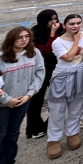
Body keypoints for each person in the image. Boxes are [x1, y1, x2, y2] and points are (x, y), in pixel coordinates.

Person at [0, 27, 45, 164]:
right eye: (19, 37)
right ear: (11, 39)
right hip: (1, 104)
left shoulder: (34, 53)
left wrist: (29, 94)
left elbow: (40, 73)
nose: (24, 40)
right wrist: (6, 99)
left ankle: (10, 163)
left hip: (23, 100)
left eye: (27, 37)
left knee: (13, 133)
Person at [47, 14, 83, 160]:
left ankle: (72, 132)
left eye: (78, 23)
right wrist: (77, 41)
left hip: (80, 74)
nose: (76, 26)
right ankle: (53, 139)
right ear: (64, 25)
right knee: (57, 109)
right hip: (63, 77)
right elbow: (68, 57)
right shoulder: (57, 42)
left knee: (76, 106)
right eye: (72, 23)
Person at [25, 9, 59, 139]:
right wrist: (52, 34)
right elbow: (45, 50)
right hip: (42, 67)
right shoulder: (35, 33)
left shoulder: (57, 30)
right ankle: (34, 128)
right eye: (51, 20)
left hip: (55, 66)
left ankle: (52, 123)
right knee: (37, 98)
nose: (54, 22)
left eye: (55, 19)